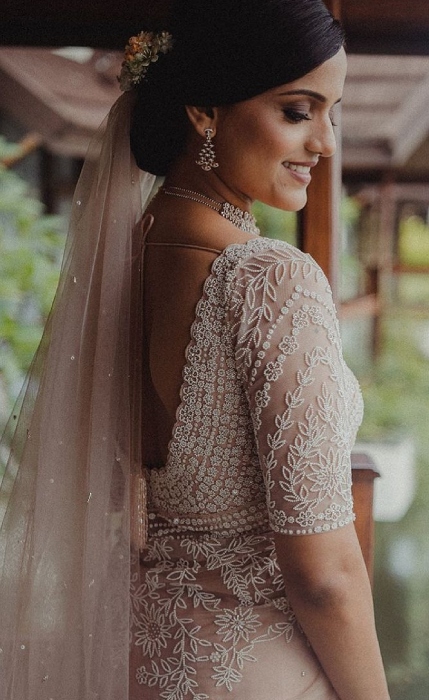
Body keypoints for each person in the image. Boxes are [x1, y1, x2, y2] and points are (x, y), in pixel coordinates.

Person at [0, 1, 390, 699]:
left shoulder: (132, 258)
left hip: (141, 660)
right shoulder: (269, 276)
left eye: (330, 113)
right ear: (204, 111)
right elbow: (323, 573)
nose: (323, 143)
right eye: (298, 111)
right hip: (261, 674)